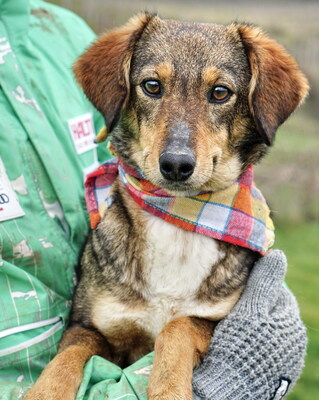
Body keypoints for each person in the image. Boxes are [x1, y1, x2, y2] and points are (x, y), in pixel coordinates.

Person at [0, 1, 306, 399]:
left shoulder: (57, 30)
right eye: (153, 87)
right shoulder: (110, 248)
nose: (178, 152)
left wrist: (189, 338)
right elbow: (92, 332)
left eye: (218, 93)